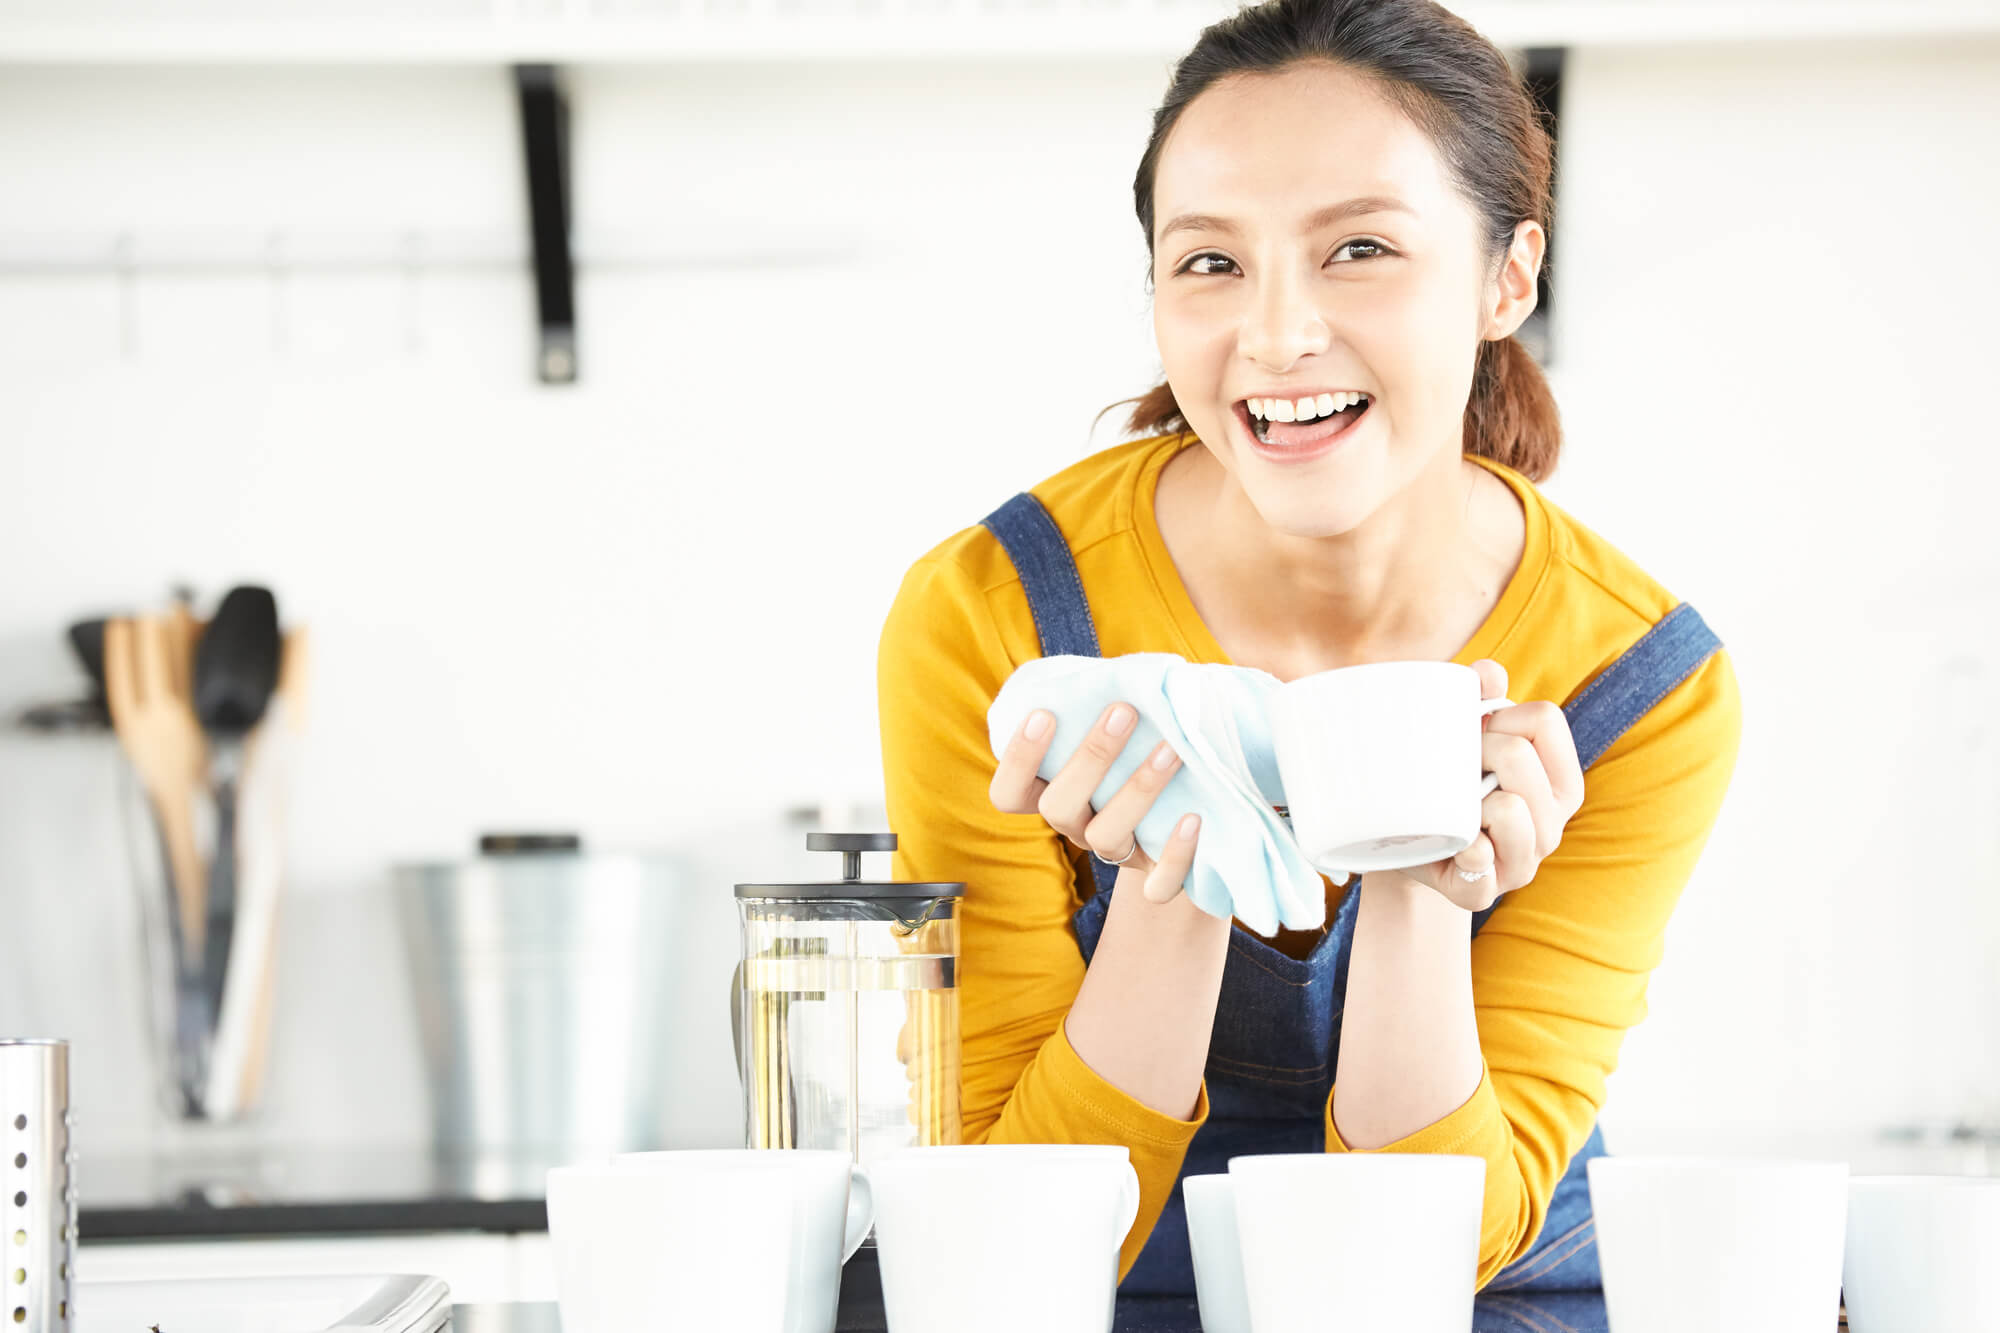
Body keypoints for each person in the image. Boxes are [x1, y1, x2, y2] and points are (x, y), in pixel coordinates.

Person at [875, 0, 1742, 1297]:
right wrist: (1184, 867)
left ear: (1509, 275)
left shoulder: (1636, 683)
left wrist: (1415, 885)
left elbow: (1449, 1239)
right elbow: (1012, 1248)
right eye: (1211, 263)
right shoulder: (992, 620)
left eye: (1361, 249)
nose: (1276, 336)